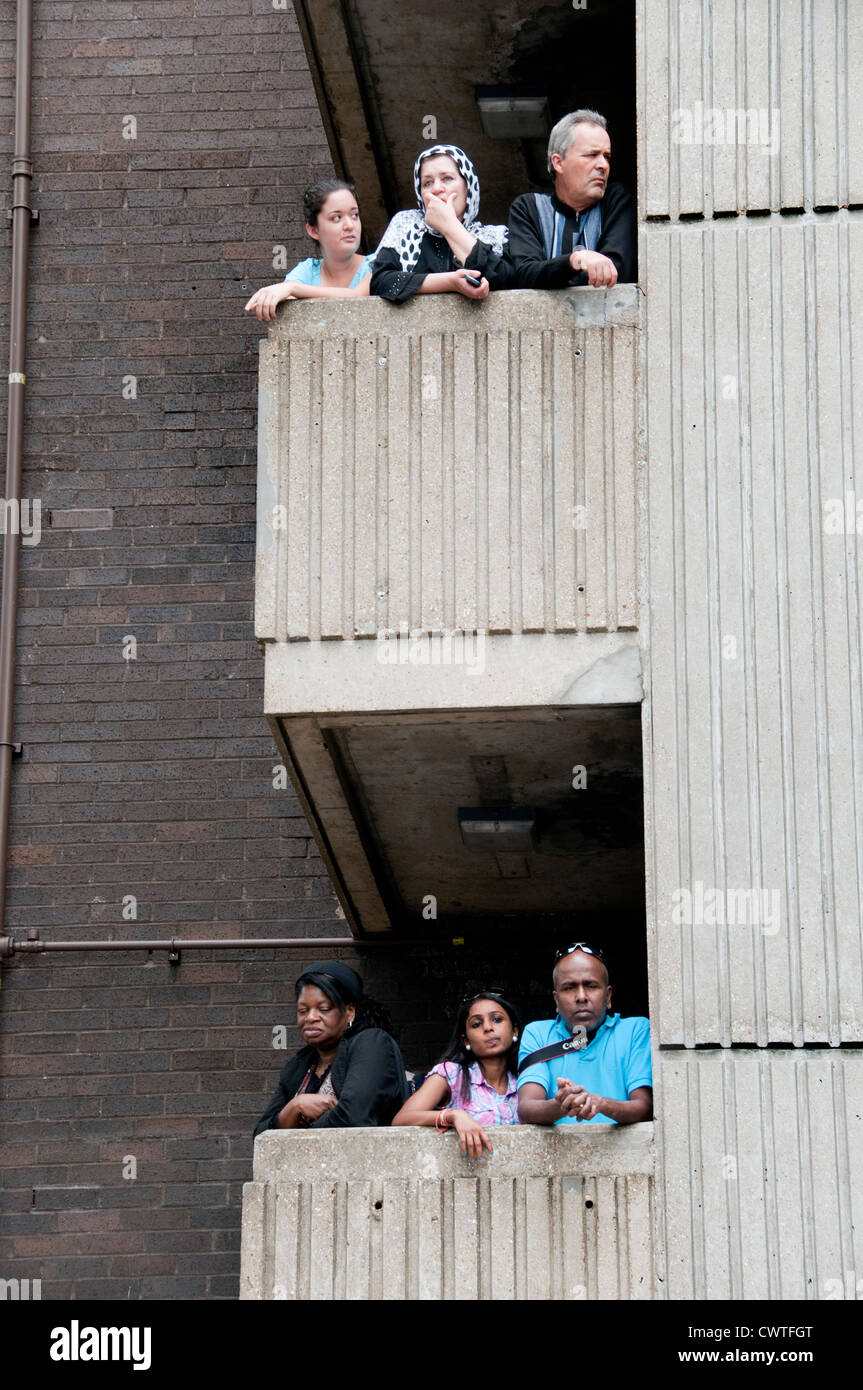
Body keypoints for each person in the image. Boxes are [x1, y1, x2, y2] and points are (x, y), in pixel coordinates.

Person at [252, 960, 407, 1135]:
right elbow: (261, 1136)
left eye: (323, 1009)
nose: (310, 1017)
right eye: (303, 1011)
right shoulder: (299, 1066)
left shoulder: (371, 1043)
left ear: (349, 1011)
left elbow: (353, 1117)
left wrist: (296, 1135)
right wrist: (295, 1106)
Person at [517, 942, 652, 1125]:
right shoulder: (537, 1034)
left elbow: (644, 1107)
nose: (581, 996)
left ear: (608, 996)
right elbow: (526, 1109)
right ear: (556, 1000)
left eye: (591, 986)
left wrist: (600, 1103)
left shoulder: (635, 1030)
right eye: (569, 987)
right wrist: (564, 1103)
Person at [507, 110, 636, 290]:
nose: (603, 165)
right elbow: (523, 276)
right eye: (592, 155)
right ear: (558, 163)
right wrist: (576, 261)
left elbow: (616, 271)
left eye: (606, 156)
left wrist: (551, 276)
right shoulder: (529, 208)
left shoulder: (617, 200)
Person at [370, 144, 513, 303]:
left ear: (468, 188)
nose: (436, 188)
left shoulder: (494, 236)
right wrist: (449, 282)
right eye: (427, 183)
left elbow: (505, 280)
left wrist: (449, 226)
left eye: (447, 178)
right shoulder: (406, 223)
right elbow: (381, 282)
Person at [391, 991, 521, 1160]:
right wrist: (453, 1115)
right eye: (476, 1024)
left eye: (496, 1019)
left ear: (515, 1031)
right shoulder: (451, 1074)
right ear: (465, 1040)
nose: (488, 1028)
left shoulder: (525, 1078)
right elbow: (402, 1119)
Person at [244, 179, 374, 322]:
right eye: (336, 218)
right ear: (313, 230)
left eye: (354, 215)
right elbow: (285, 307)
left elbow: (357, 296)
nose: (350, 225)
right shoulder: (307, 272)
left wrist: (293, 288)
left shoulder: (378, 264)